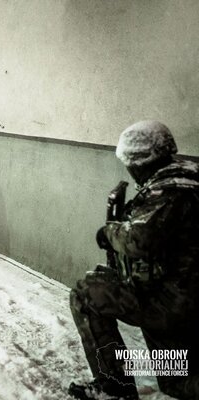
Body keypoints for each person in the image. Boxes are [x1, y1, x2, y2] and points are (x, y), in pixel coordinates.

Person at [69, 121, 199, 400]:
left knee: (86, 293)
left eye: (127, 162)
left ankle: (114, 387)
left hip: (173, 299)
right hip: (187, 292)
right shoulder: (191, 174)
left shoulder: (167, 190)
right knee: (177, 378)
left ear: (140, 161)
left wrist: (109, 231)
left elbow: (139, 240)